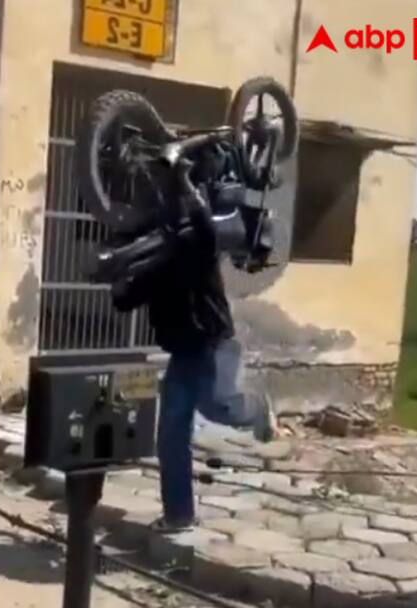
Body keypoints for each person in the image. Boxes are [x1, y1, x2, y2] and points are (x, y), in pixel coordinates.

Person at [112, 159, 277, 532]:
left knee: (218, 407)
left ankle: (257, 409)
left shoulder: (196, 247)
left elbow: (204, 227)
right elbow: (123, 300)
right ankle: (179, 515)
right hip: (183, 357)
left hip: (215, 347)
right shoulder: (152, 270)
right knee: (170, 438)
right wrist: (113, 268)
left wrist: (185, 181)